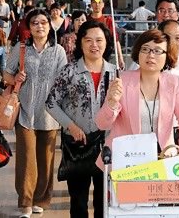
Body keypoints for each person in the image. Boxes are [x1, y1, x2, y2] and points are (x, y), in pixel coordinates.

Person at [95, 29, 179, 169]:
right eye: (145, 49)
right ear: (138, 52)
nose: (150, 55)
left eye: (157, 51)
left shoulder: (175, 83)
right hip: (126, 161)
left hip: (163, 159)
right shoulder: (122, 80)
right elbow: (102, 124)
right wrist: (111, 102)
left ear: (167, 56)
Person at [46, 21, 116, 218]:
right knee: (78, 201)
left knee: (104, 201)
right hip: (77, 144)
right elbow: (51, 102)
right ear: (81, 43)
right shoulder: (69, 71)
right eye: (89, 40)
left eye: (99, 40)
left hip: (106, 145)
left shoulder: (116, 72)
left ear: (106, 43)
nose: (94, 45)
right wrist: (71, 126)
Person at [3, 9, 67, 218]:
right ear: (29, 28)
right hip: (25, 110)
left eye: (43, 22)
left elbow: (64, 80)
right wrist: (16, 79)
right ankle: (26, 202)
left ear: (50, 25)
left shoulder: (58, 51)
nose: (39, 26)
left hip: (50, 113)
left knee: (46, 159)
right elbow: (6, 74)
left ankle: (41, 198)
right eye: (34, 23)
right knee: (27, 157)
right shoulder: (20, 49)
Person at [88, 0, 125, 69]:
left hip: (104, 57)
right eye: (94, 2)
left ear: (103, 4)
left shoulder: (108, 21)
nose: (97, 5)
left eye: (99, 2)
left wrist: (120, 58)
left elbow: (116, 40)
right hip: (88, 57)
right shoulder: (86, 20)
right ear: (91, 4)